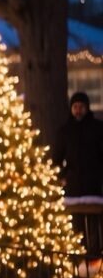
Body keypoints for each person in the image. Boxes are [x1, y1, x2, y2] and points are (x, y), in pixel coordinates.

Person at [53, 92, 103, 257]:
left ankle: (95, 257)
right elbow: (56, 159)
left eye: (81, 107)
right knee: (76, 225)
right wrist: (62, 176)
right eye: (75, 107)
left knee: (95, 225)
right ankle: (79, 256)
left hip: (94, 186)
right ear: (71, 109)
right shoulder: (65, 131)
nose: (78, 110)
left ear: (87, 108)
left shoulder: (98, 128)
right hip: (73, 187)